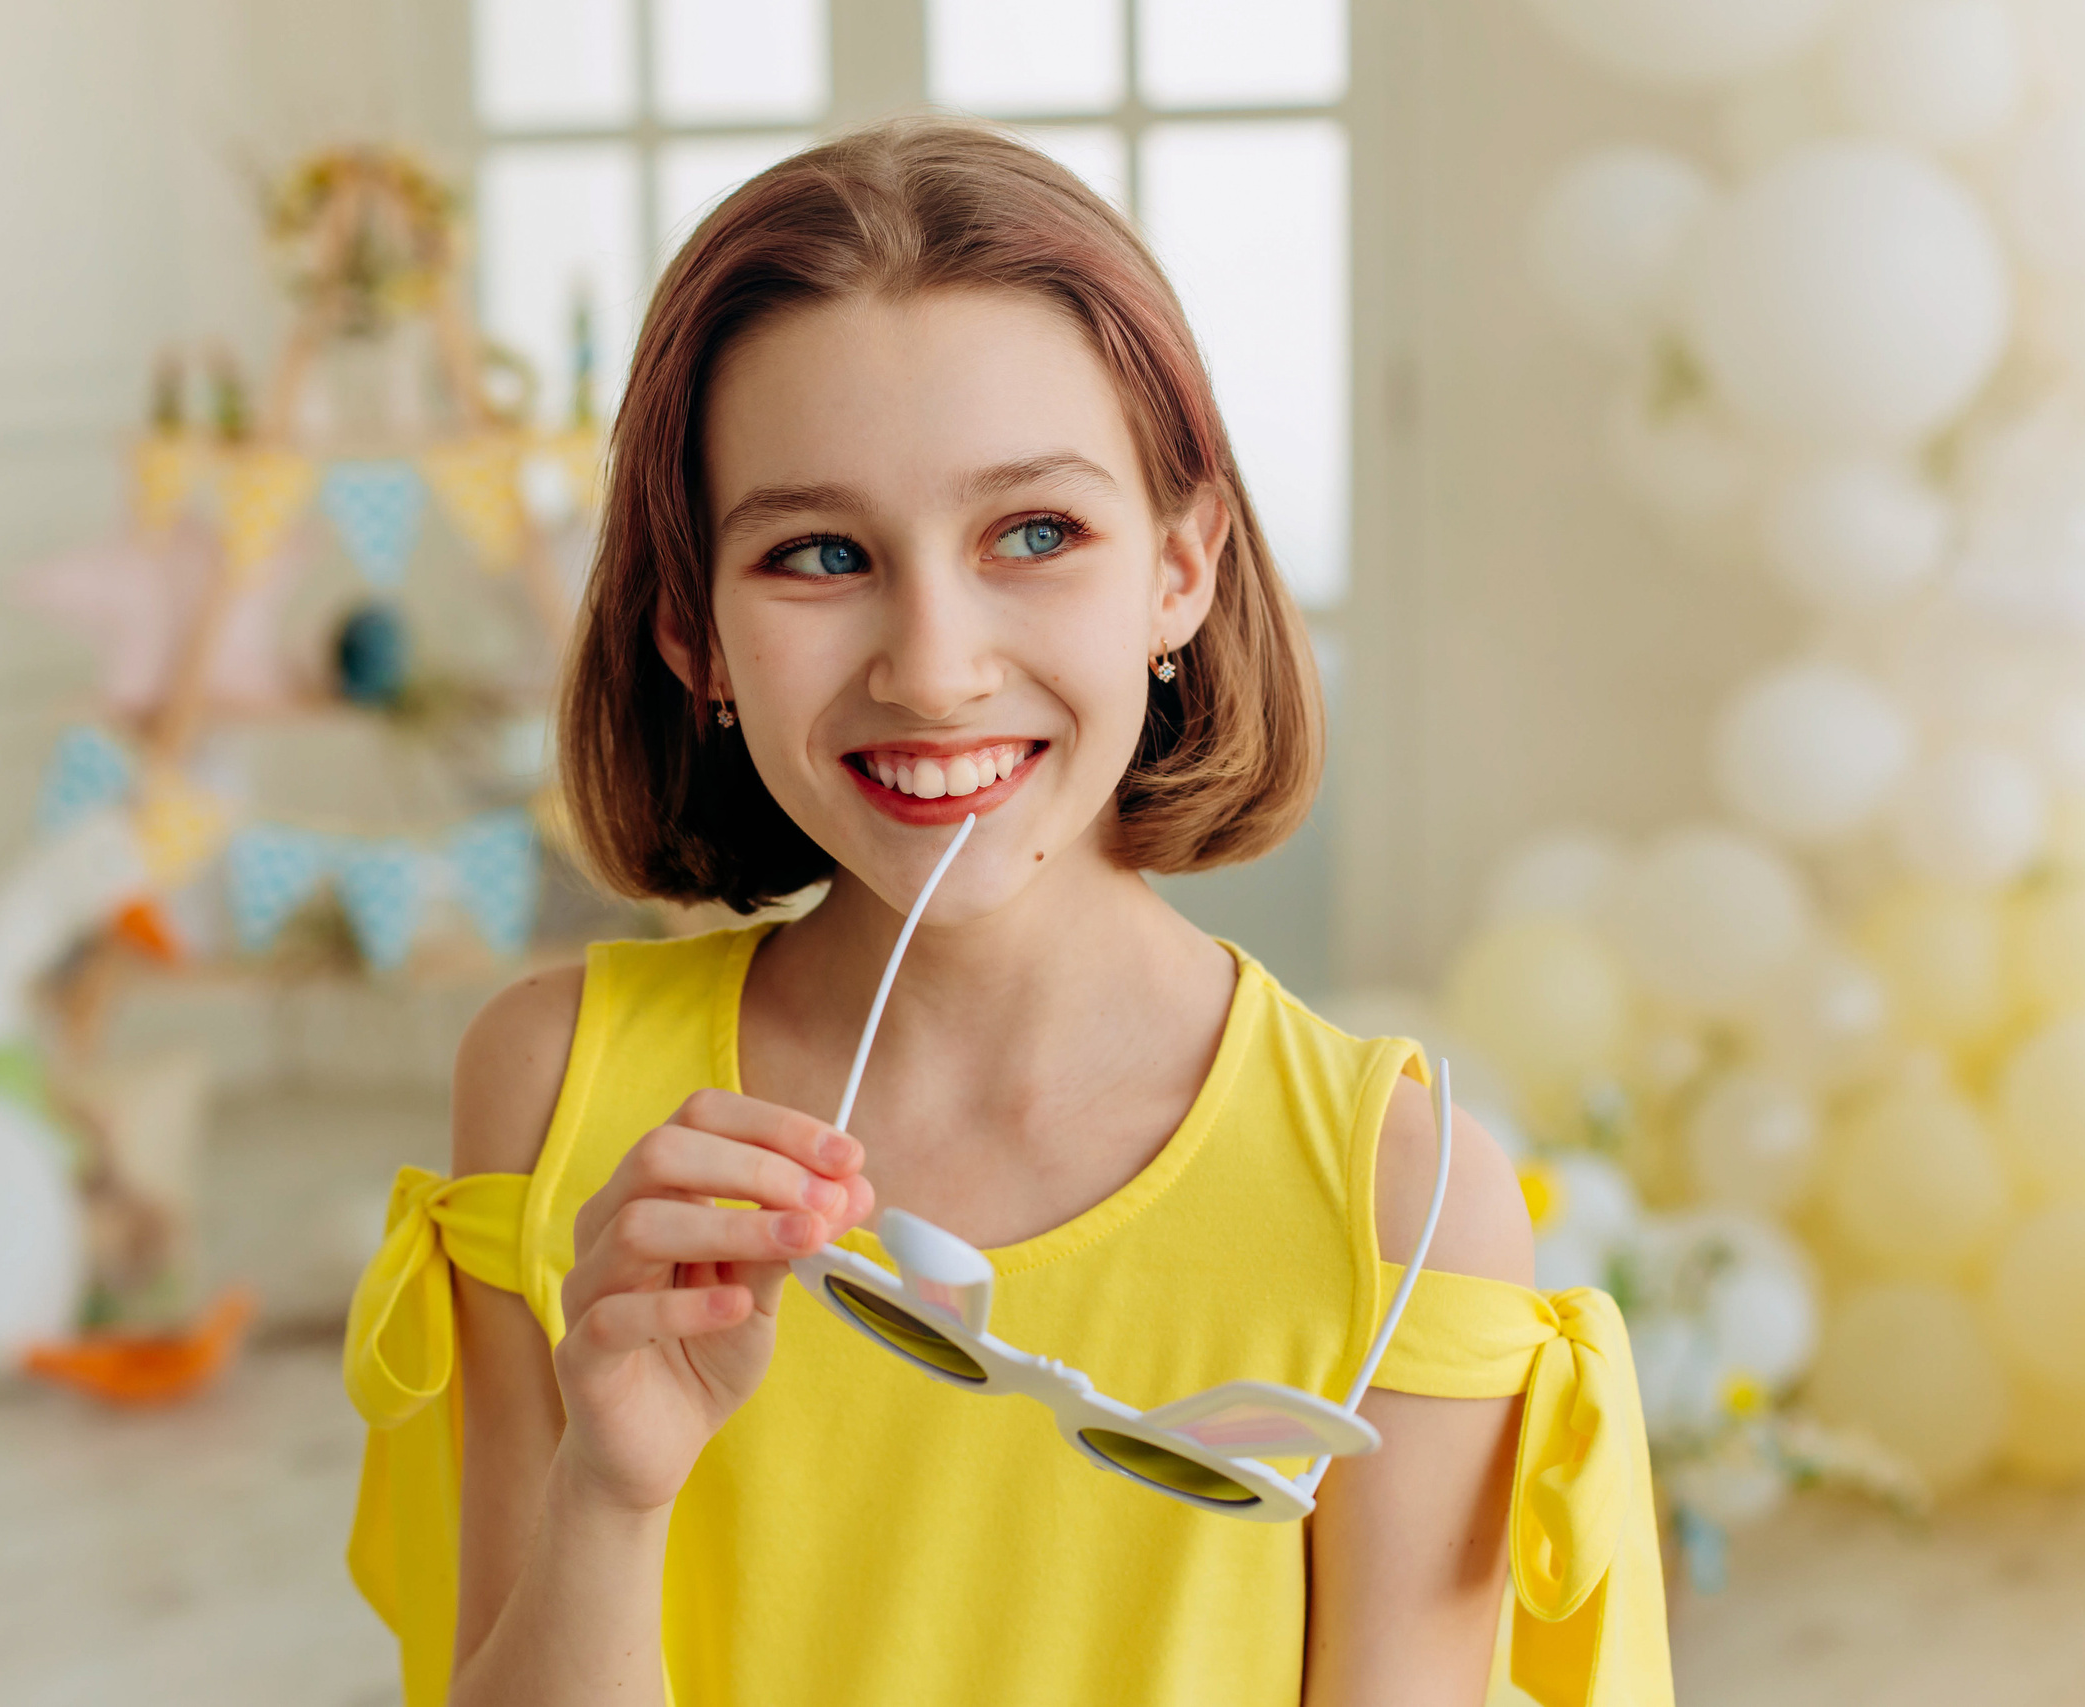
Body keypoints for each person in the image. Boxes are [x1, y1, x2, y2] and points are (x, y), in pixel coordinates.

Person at [344, 117, 1670, 1707]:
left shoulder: (1399, 1203)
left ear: (1179, 570)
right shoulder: (556, 1095)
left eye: (1034, 533)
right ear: (691, 631)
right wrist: (612, 1498)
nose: (935, 662)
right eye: (820, 553)